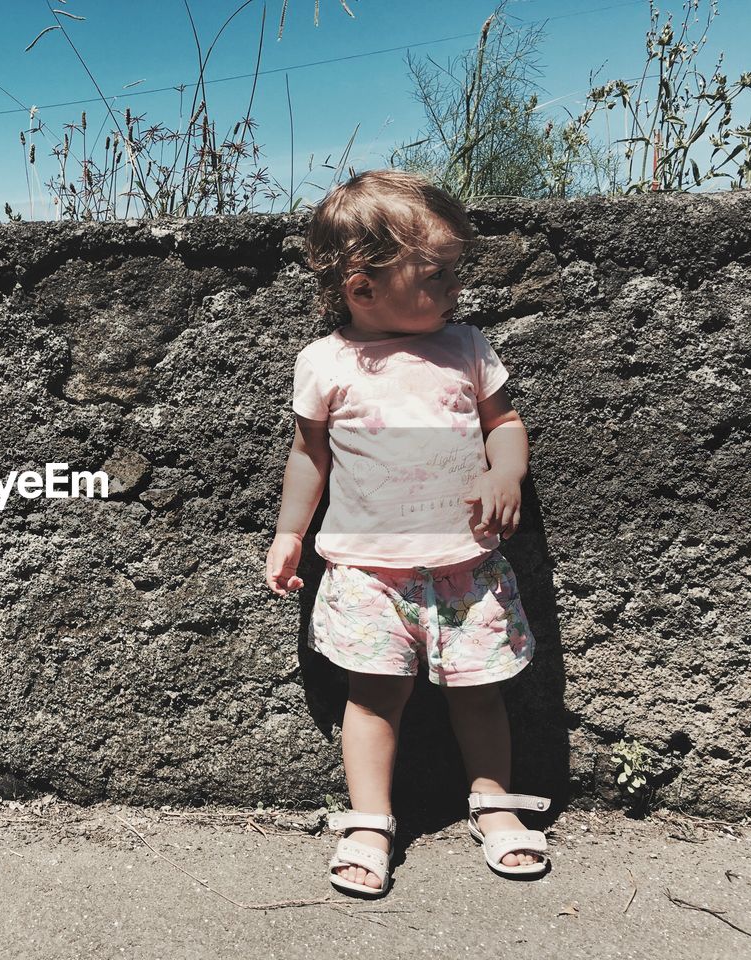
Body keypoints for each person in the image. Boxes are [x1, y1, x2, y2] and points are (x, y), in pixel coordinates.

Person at [264, 170, 550, 897]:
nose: (456, 287)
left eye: (455, 270)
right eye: (437, 275)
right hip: (368, 573)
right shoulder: (326, 363)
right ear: (362, 287)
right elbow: (309, 455)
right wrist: (290, 532)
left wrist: (503, 474)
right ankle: (368, 821)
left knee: (480, 693)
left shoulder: (467, 349)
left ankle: (494, 805)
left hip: (465, 569)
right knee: (372, 700)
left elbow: (504, 425)